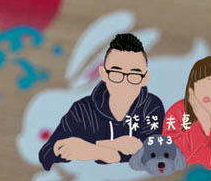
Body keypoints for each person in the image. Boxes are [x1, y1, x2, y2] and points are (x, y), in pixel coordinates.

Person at [39, 33, 165, 170]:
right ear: (103, 73)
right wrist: (108, 149)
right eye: (116, 74)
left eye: (134, 75)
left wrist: (93, 149)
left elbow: (155, 155)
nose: (124, 82)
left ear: (145, 78)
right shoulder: (82, 110)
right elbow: (46, 154)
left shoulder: (151, 107)